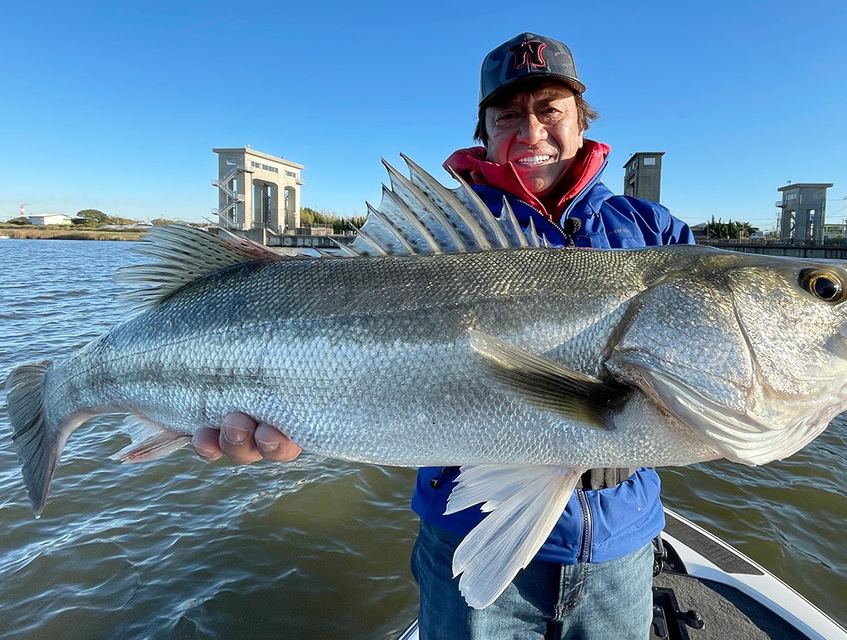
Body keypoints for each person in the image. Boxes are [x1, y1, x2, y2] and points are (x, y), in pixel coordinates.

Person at [192, 32, 694, 640]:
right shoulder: (439, 233)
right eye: (508, 115)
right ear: (483, 131)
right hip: (467, 530)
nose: (530, 131)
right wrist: (302, 418)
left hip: (619, 541)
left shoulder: (656, 232)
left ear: (582, 123)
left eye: (550, 110)